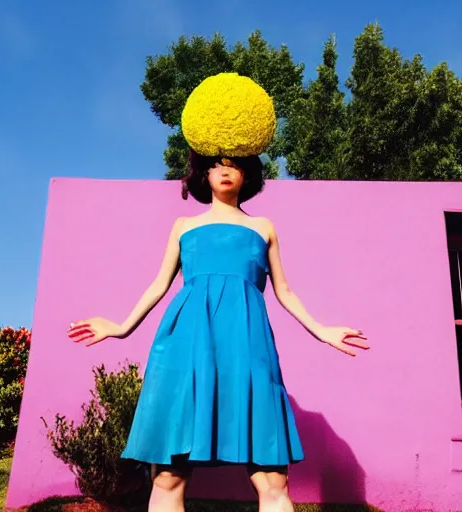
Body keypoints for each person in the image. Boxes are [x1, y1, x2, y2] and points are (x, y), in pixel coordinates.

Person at [67, 73, 369, 512]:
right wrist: (121, 327)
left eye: (234, 162)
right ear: (203, 172)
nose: (225, 168)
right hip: (186, 345)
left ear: (247, 173)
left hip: (247, 346)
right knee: (168, 473)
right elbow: (159, 283)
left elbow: (284, 291)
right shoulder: (184, 227)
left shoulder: (263, 228)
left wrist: (322, 331)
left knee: (272, 478)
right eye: (216, 162)